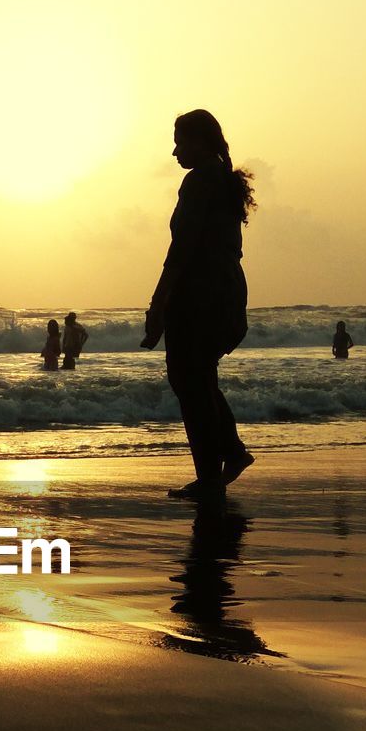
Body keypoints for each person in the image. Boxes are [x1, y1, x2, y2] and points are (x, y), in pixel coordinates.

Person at [141, 109, 256, 501]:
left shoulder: (200, 181)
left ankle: (216, 469)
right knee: (198, 377)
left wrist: (159, 302)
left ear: (201, 142)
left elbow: (183, 248)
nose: (175, 152)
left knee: (188, 378)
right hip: (225, 293)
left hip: (201, 296)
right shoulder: (221, 180)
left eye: (180, 142)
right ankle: (225, 459)